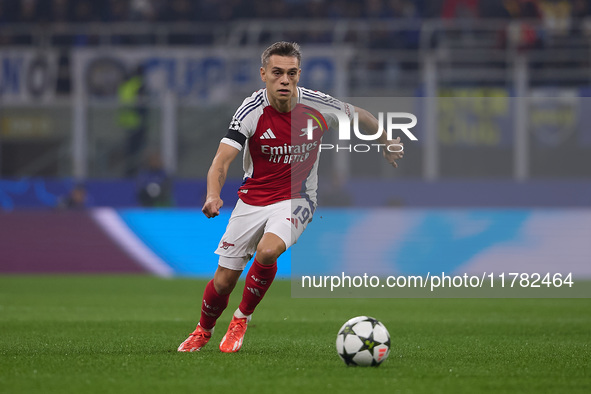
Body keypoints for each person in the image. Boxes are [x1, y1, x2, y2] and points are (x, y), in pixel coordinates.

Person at [178, 41, 404, 353]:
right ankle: (203, 331)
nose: (285, 80)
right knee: (222, 282)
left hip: (296, 198)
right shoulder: (250, 111)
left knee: (268, 251)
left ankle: (241, 319)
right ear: (263, 74)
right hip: (253, 199)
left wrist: (386, 140)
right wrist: (213, 195)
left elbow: (361, 115)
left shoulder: (317, 105)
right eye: (277, 73)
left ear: (299, 75)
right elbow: (222, 160)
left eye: (292, 73)